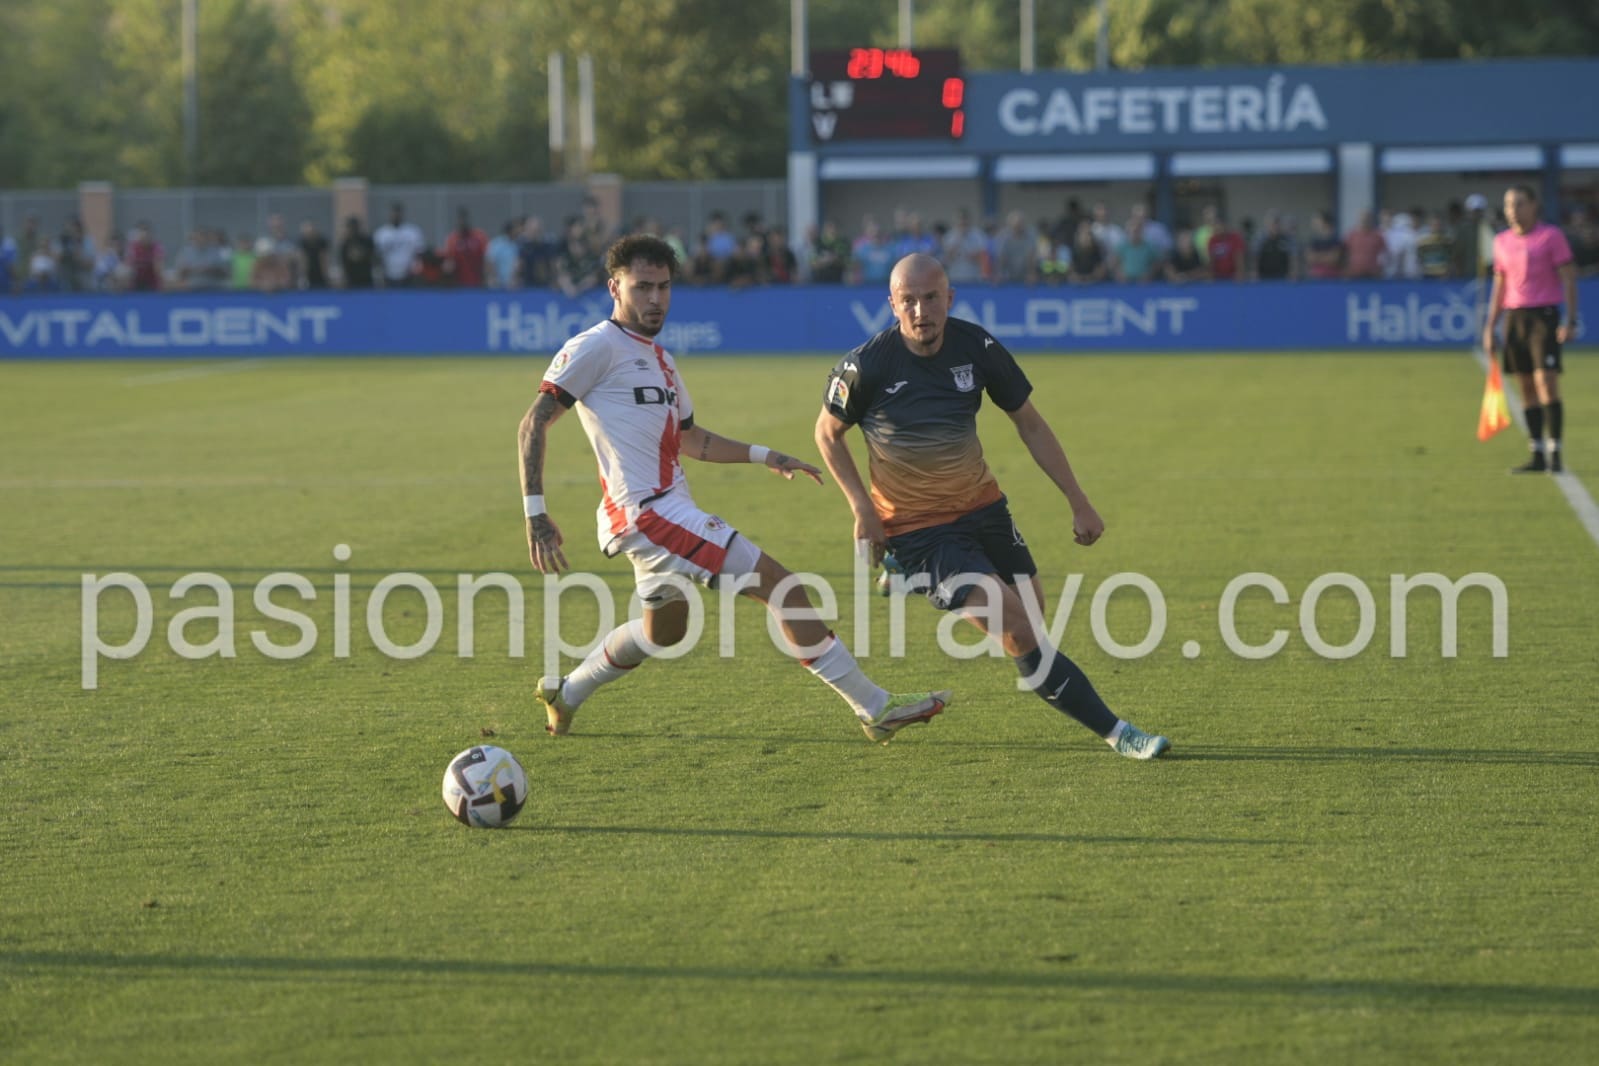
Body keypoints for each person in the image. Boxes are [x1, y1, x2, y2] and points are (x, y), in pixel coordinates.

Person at [518, 234, 949, 743]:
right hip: (648, 514)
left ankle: (566, 694)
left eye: (663, 287)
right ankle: (874, 707)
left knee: (664, 630)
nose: (655, 299)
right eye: (642, 287)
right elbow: (534, 423)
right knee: (783, 587)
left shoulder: (661, 360)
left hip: (666, 509)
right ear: (615, 287)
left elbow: (692, 440)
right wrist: (536, 512)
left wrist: (767, 456)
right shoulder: (594, 346)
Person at [812, 253, 1171, 760]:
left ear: (949, 298)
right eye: (908, 300)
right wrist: (862, 510)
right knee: (1019, 630)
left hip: (984, 508)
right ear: (891, 304)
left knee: (1032, 620)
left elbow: (1030, 423)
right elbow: (827, 435)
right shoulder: (866, 365)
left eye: (931, 298)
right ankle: (1119, 733)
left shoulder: (976, 346)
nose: (921, 311)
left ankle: (908, 578)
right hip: (920, 531)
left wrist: (1078, 501)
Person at [1482, 184, 1580, 475]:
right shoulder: (1501, 241)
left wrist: (1570, 320)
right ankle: (1536, 452)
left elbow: (1569, 279)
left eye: (1519, 204)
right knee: (1525, 385)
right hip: (1515, 317)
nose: (1513, 210)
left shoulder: (1551, 237)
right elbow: (1499, 287)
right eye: (1509, 205)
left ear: (1534, 205)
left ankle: (1556, 451)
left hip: (1544, 315)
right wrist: (1490, 327)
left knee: (1546, 382)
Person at [374, 202, 424, 287]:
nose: (396, 216)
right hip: (388, 275)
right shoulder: (381, 233)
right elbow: (377, 256)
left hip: (409, 275)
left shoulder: (412, 231)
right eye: (394, 213)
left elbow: (419, 253)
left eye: (398, 213)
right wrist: (380, 275)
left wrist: (415, 270)